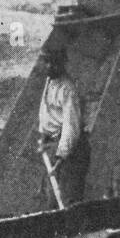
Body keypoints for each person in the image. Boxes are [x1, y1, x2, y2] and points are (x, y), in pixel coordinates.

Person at [36, 44, 89, 207]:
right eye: (47, 62)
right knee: (51, 197)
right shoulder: (50, 81)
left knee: (66, 199)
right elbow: (46, 110)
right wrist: (43, 135)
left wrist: (60, 157)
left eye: (54, 63)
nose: (50, 67)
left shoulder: (68, 89)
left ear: (62, 64)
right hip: (54, 144)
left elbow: (71, 127)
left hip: (72, 150)